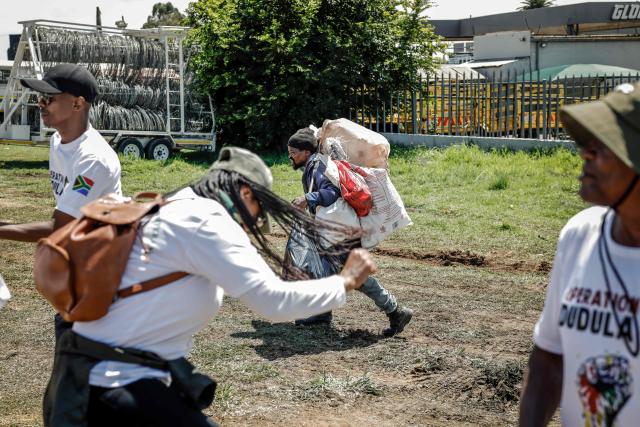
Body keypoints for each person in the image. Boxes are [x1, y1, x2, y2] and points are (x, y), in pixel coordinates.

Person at [45, 146, 377, 426]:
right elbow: (273, 302)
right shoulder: (207, 220)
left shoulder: (170, 209)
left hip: (83, 380)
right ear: (245, 192)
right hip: (116, 387)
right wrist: (344, 282)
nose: (252, 222)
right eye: (257, 209)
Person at [519, 82, 640, 427]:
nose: (585, 153)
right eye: (587, 143)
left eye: (604, 146)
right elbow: (549, 359)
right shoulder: (580, 234)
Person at [0, 63, 122, 339]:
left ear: (78, 104)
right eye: (40, 98)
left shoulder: (93, 159)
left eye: (49, 99)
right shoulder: (58, 141)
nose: (41, 105)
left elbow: (60, 227)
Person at [287, 127, 413, 337]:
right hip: (339, 229)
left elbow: (332, 192)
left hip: (340, 231)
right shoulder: (314, 164)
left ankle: (396, 311)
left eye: (293, 151)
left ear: (306, 152)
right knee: (323, 267)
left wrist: (307, 199)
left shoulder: (317, 166)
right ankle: (322, 313)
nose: (290, 155)